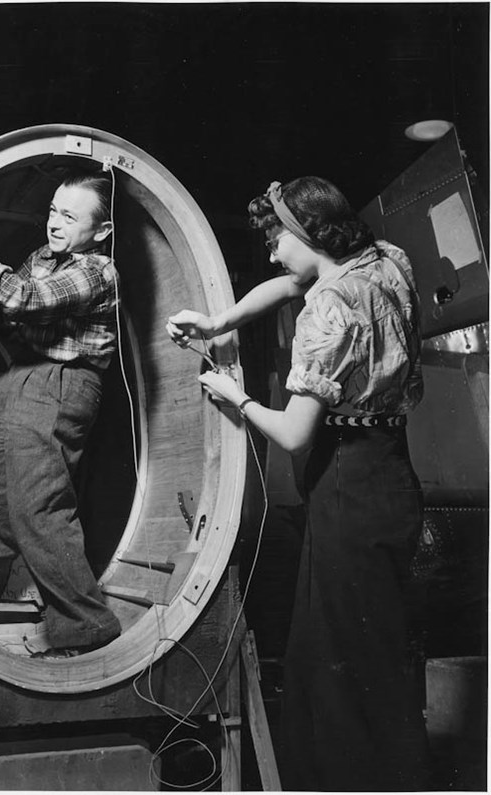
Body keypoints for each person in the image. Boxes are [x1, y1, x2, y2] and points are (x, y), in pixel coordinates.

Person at [166, 176, 431, 790]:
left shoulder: (328, 310)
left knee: (341, 661)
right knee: (372, 649)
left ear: (307, 234)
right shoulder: (387, 261)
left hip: (347, 482)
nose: (271, 252)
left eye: (275, 238)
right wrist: (216, 321)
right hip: (391, 470)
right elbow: (288, 283)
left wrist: (236, 397)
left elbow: (292, 434)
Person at [0, 167, 122, 658]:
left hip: (61, 383)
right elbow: (6, 301)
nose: (55, 223)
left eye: (70, 216)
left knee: (36, 510)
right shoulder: (43, 258)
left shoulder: (95, 270)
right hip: (20, 378)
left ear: (101, 231)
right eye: (52, 211)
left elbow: (18, 297)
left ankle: (86, 624)